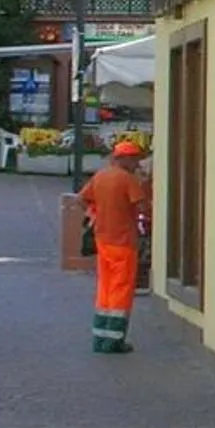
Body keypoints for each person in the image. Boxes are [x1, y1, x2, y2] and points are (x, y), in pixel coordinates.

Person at [77, 138, 151, 354]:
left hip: (103, 239)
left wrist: (94, 214)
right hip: (124, 242)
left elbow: (82, 199)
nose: (137, 164)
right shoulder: (127, 180)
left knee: (105, 289)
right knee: (121, 290)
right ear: (126, 160)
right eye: (135, 160)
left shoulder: (101, 176)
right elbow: (142, 207)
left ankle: (100, 337)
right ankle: (114, 340)